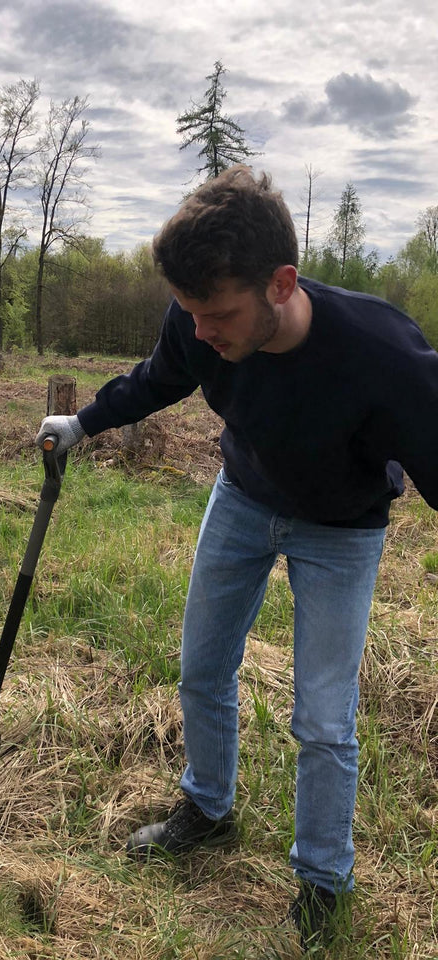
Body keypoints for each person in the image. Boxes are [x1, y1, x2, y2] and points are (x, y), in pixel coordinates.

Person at [35, 166, 438, 950]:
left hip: (341, 531)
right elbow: (159, 379)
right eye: (189, 313)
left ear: (281, 283)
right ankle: (208, 807)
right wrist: (82, 423)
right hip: (244, 499)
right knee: (202, 668)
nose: (202, 331)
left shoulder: (382, 353)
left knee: (323, 719)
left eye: (217, 314)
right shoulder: (196, 321)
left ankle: (323, 882)